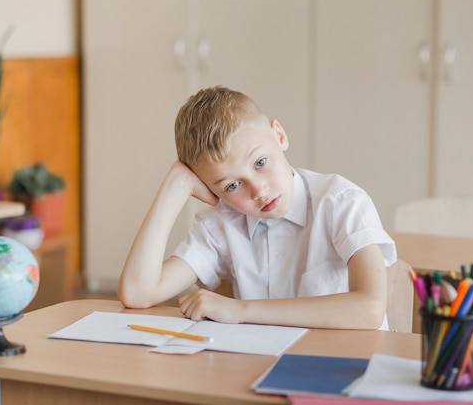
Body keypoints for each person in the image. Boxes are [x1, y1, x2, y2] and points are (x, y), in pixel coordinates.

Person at [118, 86, 397, 330]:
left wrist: (241, 311)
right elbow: (137, 293)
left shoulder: (342, 202)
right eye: (231, 186)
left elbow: (370, 308)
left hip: (346, 373)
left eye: (260, 163)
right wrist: (174, 187)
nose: (258, 190)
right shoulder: (223, 224)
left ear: (279, 136)